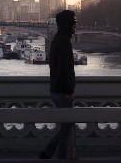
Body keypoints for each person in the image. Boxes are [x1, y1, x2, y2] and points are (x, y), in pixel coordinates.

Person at [40, 9, 77, 160]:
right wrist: (69, 89)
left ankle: (55, 153)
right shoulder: (63, 42)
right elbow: (63, 69)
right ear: (67, 24)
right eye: (73, 23)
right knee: (67, 125)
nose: (75, 26)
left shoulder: (58, 40)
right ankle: (53, 152)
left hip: (57, 89)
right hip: (62, 91)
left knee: (65, 125)